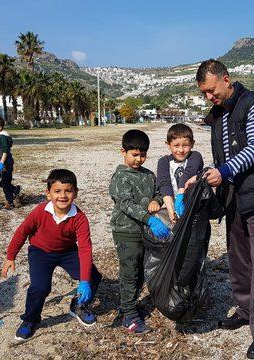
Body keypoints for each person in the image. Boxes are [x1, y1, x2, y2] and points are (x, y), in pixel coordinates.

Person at [194, 59, 254, 359]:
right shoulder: (218, 115)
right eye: (204, 94)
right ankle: (245, 310)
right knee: (238, 259)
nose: (209, 97)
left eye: (211, 90)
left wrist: (223, 170)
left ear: (226, 79)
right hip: (233, 196)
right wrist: (214, 172)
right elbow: (226, 155)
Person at [1, 169, 102, 340]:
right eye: (57, 191)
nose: (63, 195)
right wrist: (10, 256)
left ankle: (78, 305)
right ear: (48, 194)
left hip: (67, 252)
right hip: (40, 252)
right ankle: (30, 320)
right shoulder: (40, 211)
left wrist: (84, 281)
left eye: (68, 190)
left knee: (93, 276)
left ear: (75, 193)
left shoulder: (79, 218)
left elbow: (85, 248)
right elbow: (21, 232)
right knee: (40, 287)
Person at [109, 129, 168, 334]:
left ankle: (131, 305)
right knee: (129, 273)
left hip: (144, 232)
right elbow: (125, 204)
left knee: (141, 271)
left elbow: (159, 193)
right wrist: (148, 219)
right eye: (134, 155)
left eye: (142, 155)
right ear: (123, 152)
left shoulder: (149, 175)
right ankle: (128, 315)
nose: (138, 159)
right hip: (125, 232)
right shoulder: (120, 177)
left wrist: (156, 200)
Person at [156, 124, 204, 223]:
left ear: (192, 144)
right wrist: (171, 210)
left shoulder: (195, 156)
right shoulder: (163, 162)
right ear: (168, 145)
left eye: (185, 145)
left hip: (196, 210)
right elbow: (164, 184)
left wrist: (180, 194)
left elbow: (189, 172)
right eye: (176, 146)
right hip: (175, 208)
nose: (181, 150)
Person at [0, 114, 21, 209]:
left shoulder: (2, 137)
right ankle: (15, 189)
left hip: (6, 165)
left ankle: (10, 203)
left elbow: (5, 151)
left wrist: (2, 163)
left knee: (5, 183)